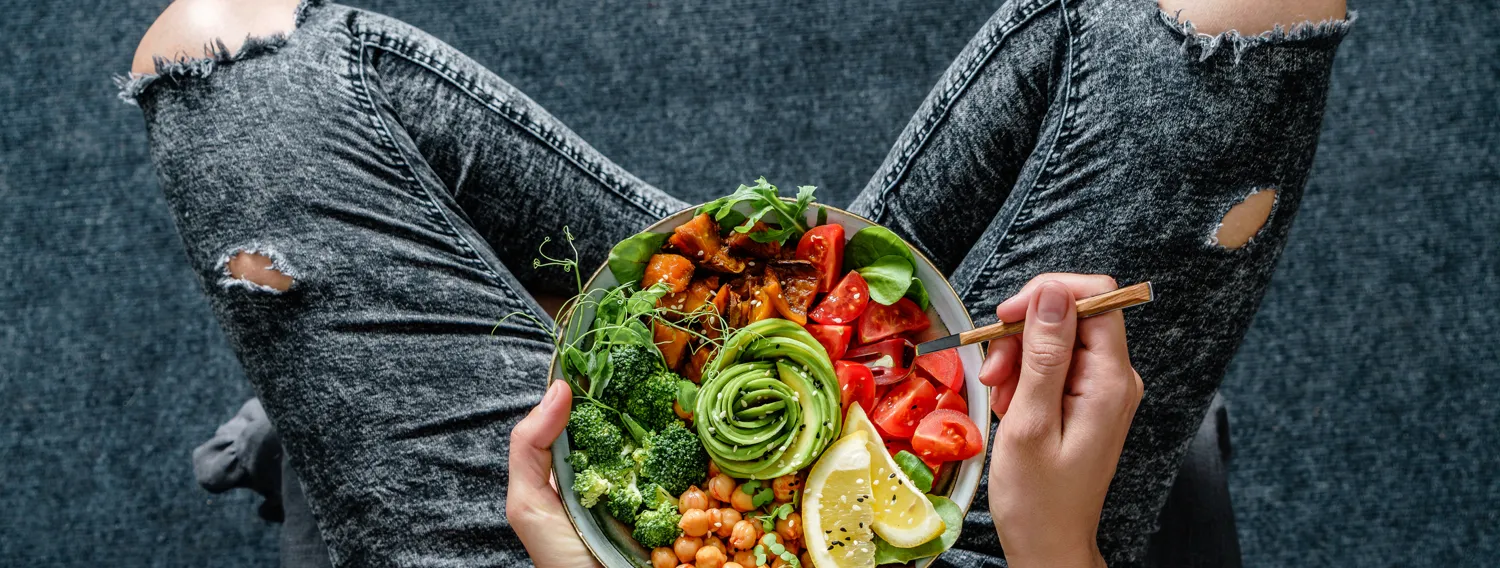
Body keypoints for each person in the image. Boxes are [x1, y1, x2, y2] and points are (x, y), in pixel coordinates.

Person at [121, 0, 1352, 566]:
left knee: (221, 58)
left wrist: (563, 542)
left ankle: (392, 371)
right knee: (1245, 11)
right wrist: (1050, 541)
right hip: (969, 542)